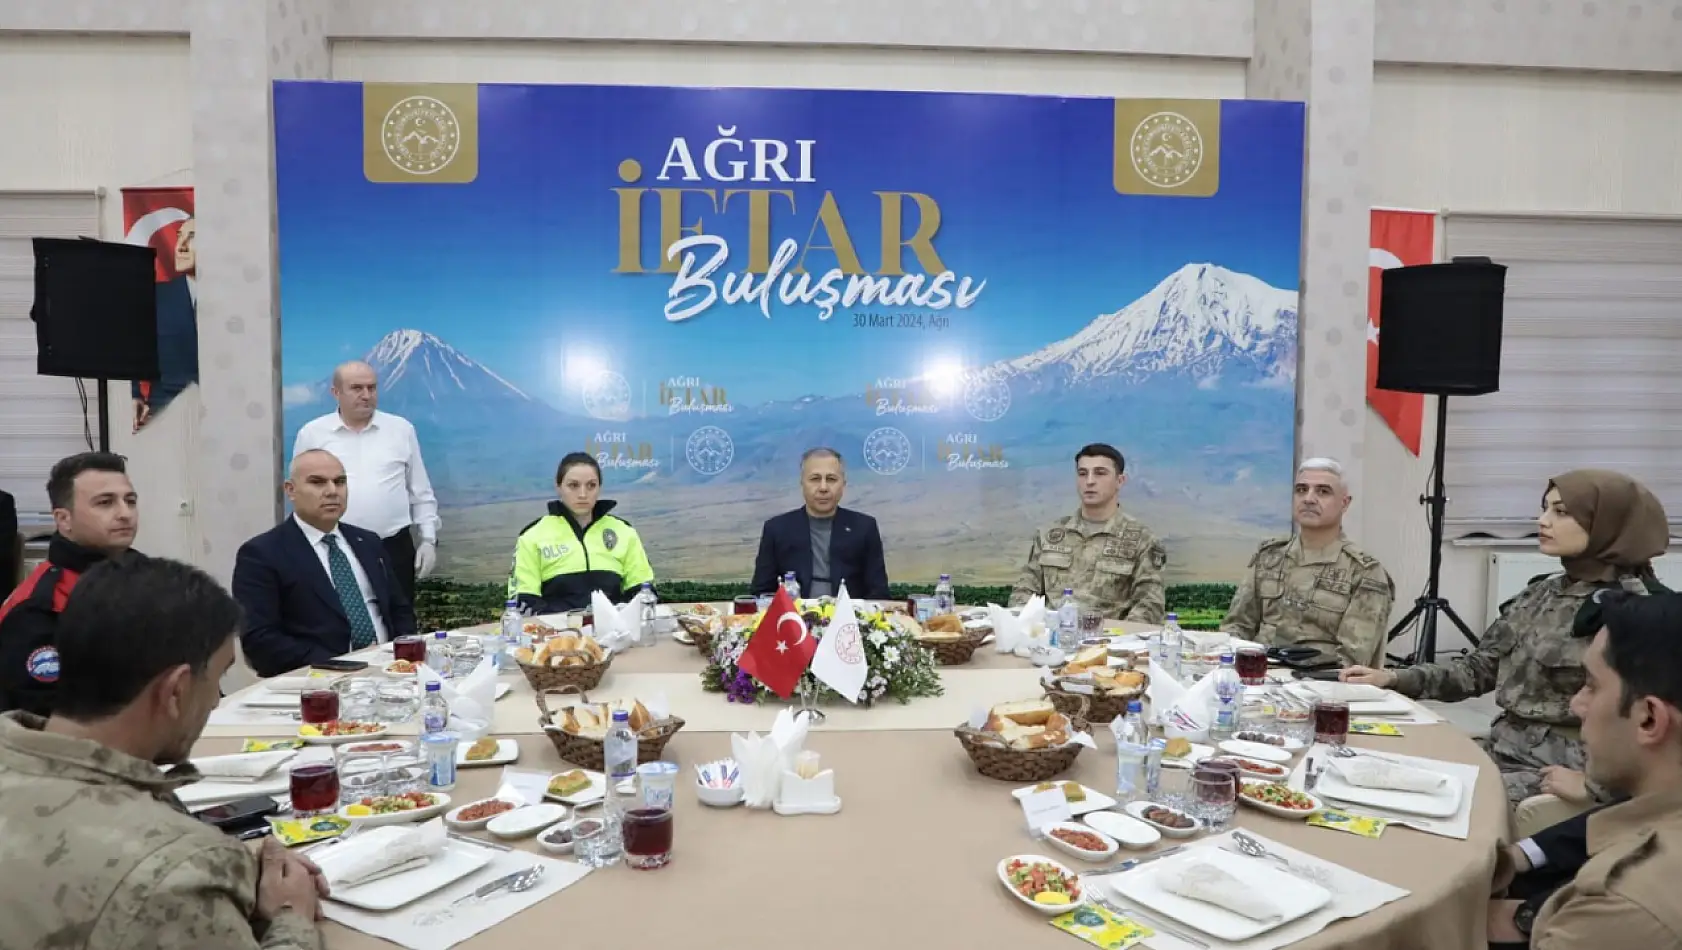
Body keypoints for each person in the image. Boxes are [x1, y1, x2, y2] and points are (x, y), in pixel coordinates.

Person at [0, 554, 326, 950]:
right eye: (219, 679)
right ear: (176, 691)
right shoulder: (172, 873)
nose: (215, 704)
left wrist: (227, 873)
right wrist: (292, 917)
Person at [1342, 469, 1669, 805]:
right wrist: (1394, 678)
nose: (1543, 521)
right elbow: (1478, 670)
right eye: (1544, 508)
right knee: (1375, 768)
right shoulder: (1542, 592)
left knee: (1426, 801)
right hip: (1501, 748)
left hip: (1556, 767)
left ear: (1607, 524)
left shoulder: (1641, 612)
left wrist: (1597, 786)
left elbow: (1658, 733)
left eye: (1560, 512)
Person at [1485, 590, 1682, 949]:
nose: (1576, 705)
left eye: (1591, 686)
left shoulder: (1624, 907)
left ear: (1649, 718)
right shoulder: (1659, 798)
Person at [233, 449, 415, 677]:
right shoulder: (262, 554)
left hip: (389, 673)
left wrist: (403, 659)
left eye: (340, 482)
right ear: (291, 490)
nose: (332, 491)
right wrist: (344, 664)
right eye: (317, 482)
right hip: (316, 679)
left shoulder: (368, 542)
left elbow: (399, 610)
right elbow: (260, 641)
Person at [1222, 457, 1396, 668]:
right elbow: (1237, 627)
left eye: (1323, 491)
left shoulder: (1364, 572)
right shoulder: (1269, 557)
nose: (1309, 499)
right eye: (1301, 490)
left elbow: (1351, 661)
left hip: (1318, 687)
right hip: (1255, 676)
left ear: (1344, 503)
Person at [0, 453, 138, 716]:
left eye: (130, 501)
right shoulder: (39, 607)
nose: (125, 514)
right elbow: (43, 718)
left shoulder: (151, 577)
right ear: (64, 520)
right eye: (106, 503)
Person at [292, 360, 439, 605]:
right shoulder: (313, 434)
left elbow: (420, 492)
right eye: (357, 388)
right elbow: (300, 494)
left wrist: (428, 540)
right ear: (335, 393)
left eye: (372, 388)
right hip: (334, 549)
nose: (366, 395)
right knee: (339, 622)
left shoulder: (401, 430)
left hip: (393, 547)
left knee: (399, 624)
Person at [1010, 443, 1165, 623]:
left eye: (1100, 473)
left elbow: (1150, 605)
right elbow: (1024, 590)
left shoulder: (1142, 540)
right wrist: (1026, 628)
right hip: (1048, 640)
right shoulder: (1050, 535)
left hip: (1110, 643)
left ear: (1120, 481)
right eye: (1083, 473)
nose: (1089, 481)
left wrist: (1118, 641)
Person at [509, 452, 656, 613]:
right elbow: (524, 603)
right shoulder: (532, 536)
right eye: (573, 485)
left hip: (616, 633)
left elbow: (644, 593)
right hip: (556, 634)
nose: (583, 494)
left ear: (599, 487)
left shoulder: (624, 531)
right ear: (558, 487)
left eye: (591, 485)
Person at [750, 447, 890, 600]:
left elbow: (879, 593)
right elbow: (761, 593)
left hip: (850, 618)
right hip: (794, 619)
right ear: (802, 483)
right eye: (815, 479)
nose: (823, 488)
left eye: (831, 479)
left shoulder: (864, 528)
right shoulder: (776, 529)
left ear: (843, 484)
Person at [131, 216, 197, 431]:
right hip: (166, 412)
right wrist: (137, 395)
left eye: (193, 237)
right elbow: (139, 350)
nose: (182, 246)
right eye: (179, 237)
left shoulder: (238, 301)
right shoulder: (156, 297)